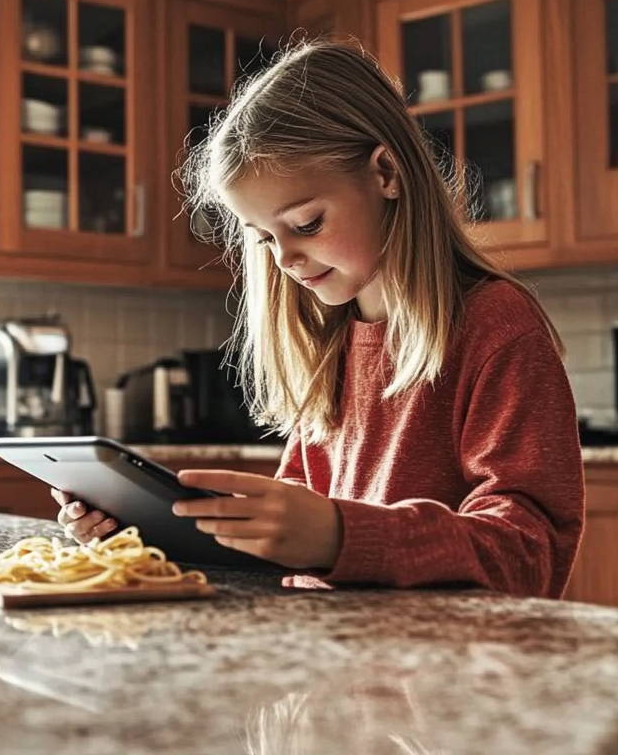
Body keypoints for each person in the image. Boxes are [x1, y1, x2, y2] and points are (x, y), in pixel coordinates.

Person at [53, 38, 585, 599]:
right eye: (264, 240)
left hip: (444, 672)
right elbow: (288, 558)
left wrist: (337, 535)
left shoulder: (496, 325)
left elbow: (531, 553)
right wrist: (145, 540)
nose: (284, 259)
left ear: (386, 174)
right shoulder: (331, 340)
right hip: (337, 666)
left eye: (306, 224)